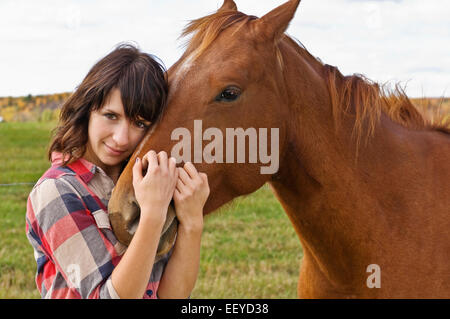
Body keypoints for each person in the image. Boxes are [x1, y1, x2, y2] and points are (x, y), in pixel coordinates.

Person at [25, 44, 210, 299]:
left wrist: (192, 222)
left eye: (139, 123)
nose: (122, 138)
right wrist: (152, 214)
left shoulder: (147, 182)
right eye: (111, 116)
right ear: (87, 110)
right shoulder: (56, 191)